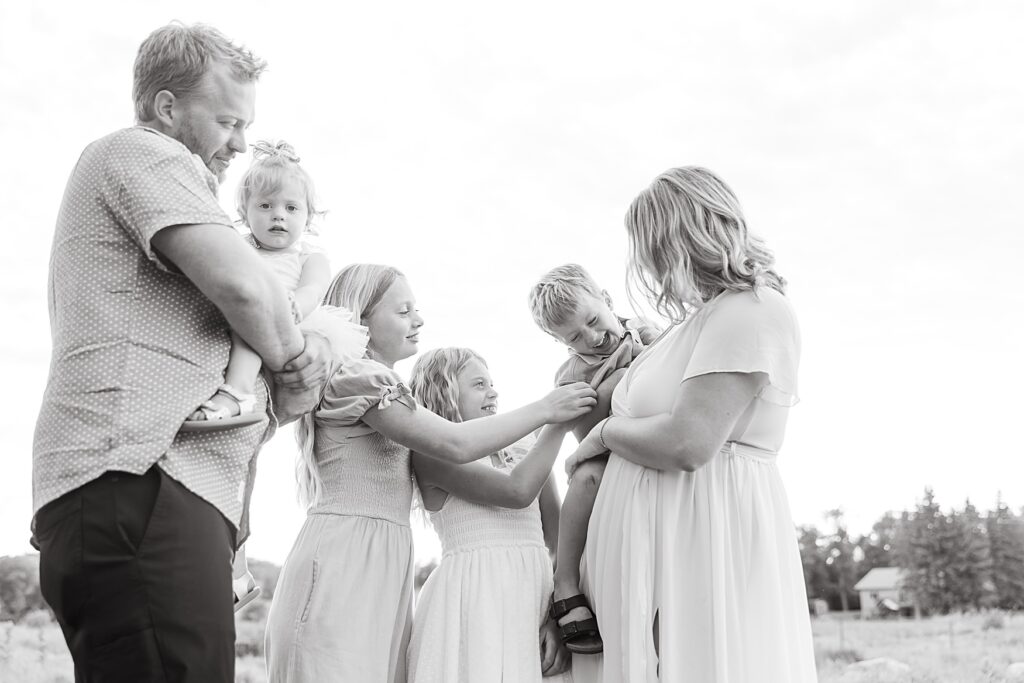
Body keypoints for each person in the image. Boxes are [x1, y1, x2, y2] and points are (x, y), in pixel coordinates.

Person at [31, 23, 331, 682]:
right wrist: (295, 355)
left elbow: (241, 339)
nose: (241, 144)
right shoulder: (145, 152)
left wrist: (281, 382)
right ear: (167, 108)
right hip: (145, 478)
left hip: (148, 485)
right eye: (228, 121)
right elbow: (249, 290)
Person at [265, 264, 596, 683]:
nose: (418, 320)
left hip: (382, 557)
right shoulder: (359, 378)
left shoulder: (382, 387)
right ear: (361, 319)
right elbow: (455, 443)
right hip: (347, 555)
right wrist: (547, 410)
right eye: (403, 311)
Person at [566, 167, 818, 682]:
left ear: (679, 237)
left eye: (650, 247)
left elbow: (688, 442)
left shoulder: (753, 310)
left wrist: (605, 435)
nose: (647, 265)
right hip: (660, 545)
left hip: (706, 533)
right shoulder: (699, 320)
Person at [179, 139, 370, 608]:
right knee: (236, 460)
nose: (278, 216)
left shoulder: (309, 256)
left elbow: (313, 290)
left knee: (254, 316)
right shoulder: (237, 246)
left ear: (308, 215)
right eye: (265, 206)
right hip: (234, 336)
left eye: (290, 207)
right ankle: (236, 567)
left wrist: (290, 305)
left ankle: (238, 391)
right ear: (245, 212)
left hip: (288, 332)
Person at [406, 347, 572, 682]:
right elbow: (517, 491)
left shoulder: (528, 449)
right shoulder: (430, 455)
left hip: (534, 599)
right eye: (479, 384)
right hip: (473, 602)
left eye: (492, 383)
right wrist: (556, 423)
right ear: (445, 393)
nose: (493, 392)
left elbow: (558, 539)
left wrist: (558, 616)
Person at [527, 264, 660, 654]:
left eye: (592, 320)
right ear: (558, 341)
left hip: (655, 441)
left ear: (607, 299)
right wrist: (614, 383)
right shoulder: (572, 374)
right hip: (604, 451)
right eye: (574, 337)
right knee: (585, 477)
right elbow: (583, 429)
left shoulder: (643, 329)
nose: (591, 337)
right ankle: (565, 579)